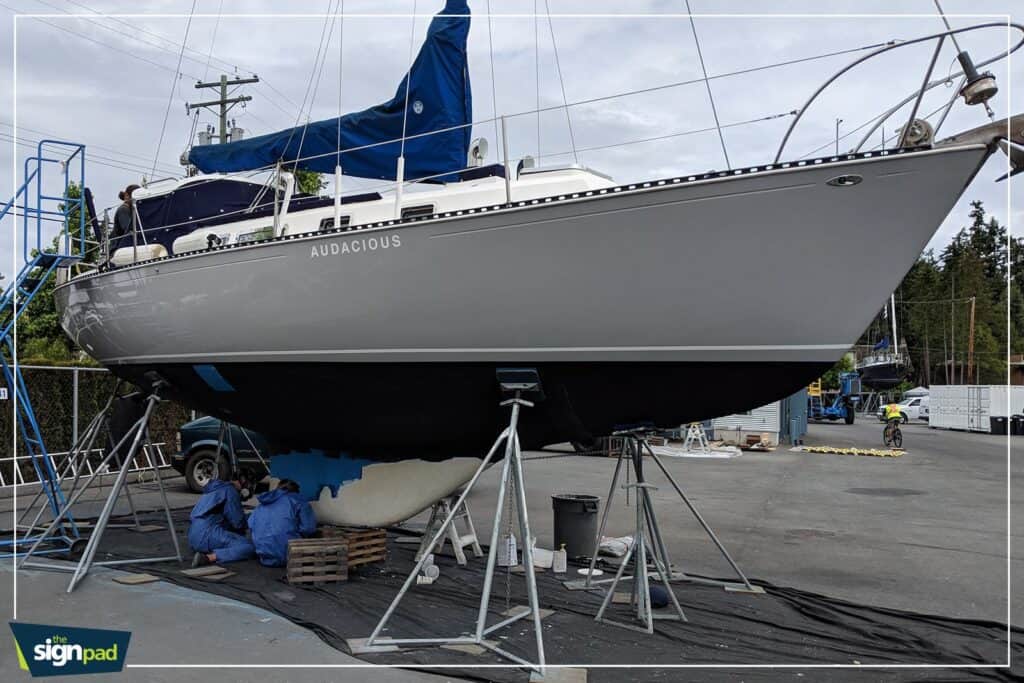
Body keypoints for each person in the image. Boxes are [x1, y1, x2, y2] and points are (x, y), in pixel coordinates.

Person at [188, 475, 254, 567]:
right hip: (206, 534)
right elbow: (238, 523)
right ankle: (208, 558)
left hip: (194, 536)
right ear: (240, 481)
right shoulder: (230, 490)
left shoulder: (215, 488)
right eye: (247, 484)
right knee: (248, 547)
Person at [248, 479, 317, 567]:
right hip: (288, 555)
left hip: (263, 555)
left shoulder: (262, 504)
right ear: (296, 491)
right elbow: (309, 528)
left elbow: (250, 525)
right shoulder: (299, 500)